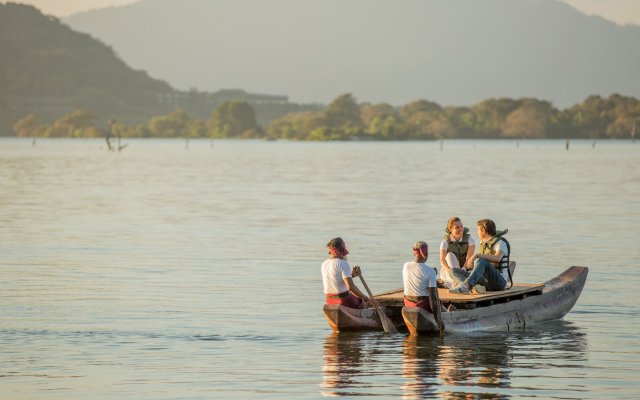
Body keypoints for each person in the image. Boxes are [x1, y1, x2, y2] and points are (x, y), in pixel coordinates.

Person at [449, 219, 511, 294]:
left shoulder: (500, 243)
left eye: (478, 230)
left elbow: (498, 258)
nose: (477, 232)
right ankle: (475, 287)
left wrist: (477, 255)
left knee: (482, 260)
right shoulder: (483, 244)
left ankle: (467, 286)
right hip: (485, 281)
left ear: (484, 231)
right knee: (453, 271)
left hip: (499, 282)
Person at [402, 241, 445, 329]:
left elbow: (418, 270)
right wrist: (438, 320)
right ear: (426, 253)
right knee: (437, 298)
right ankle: (447, 311)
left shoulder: (406, 266)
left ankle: (446, 310)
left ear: (414, 253)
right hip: (423, 305)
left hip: (408, 303)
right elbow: (433, 298)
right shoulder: (430, 271)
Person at [321, 237, 370, 309]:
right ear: (342, 249)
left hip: (329, 300)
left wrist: (352, 275)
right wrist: (367, 299)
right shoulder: (343, 263)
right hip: (344, 300)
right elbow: (351, 287)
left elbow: (336, 280)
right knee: (361, 301)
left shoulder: (324, 264)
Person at [439, 217, 476, 289]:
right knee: (450, 255)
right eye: (457, 227)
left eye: (461, 226)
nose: (461, 229)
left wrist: (463, 270)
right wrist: (451, 272)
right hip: (448, 272)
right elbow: (442, 260)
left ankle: (452, 284)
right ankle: (456, 284)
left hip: (464, 271)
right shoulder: (445, 242)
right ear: (450, 229)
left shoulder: (470, 240)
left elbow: (469, 258)